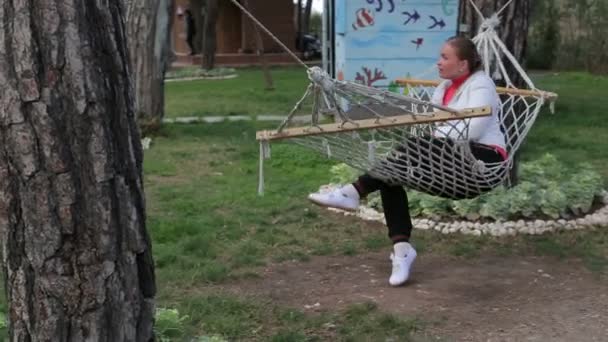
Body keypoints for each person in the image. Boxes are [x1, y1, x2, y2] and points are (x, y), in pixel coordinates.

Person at [307, 37, 507, 287]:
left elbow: (474, 129)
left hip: (484, 160)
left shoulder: (481, 85)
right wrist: (436, 136)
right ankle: (402, 251)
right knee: (393, 174)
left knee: (414, 146)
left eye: (445, 57)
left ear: (463, 64)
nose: (438, 62)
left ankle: (353, 192)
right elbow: (436, 128)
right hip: (453, 158)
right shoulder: (444, 88)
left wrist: (434, 137)